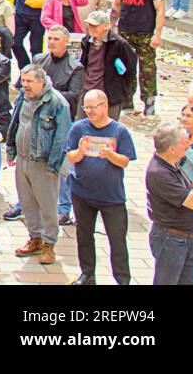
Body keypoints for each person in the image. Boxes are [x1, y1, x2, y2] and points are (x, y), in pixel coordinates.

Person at [66, 89, 136, 285]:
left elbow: (125, 161)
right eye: (86, 107)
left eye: (93, 107)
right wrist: (80, 151)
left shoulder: (119, 131)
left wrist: (110, 155)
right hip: (82, 193)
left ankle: (122, 279)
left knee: (117, 240)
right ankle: (87, 274)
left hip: (111, 197)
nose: (89, 111)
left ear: (105, 106)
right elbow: (70, 157)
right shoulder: (78, 128)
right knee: (84, 236)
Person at [6, 63, 73, 267]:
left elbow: (62, 138)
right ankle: (35, 238)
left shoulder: (57, 103)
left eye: (29, 81)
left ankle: (49, 244)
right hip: (23, 160)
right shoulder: (22, 98)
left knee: (47, 205)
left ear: (41, 82)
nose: (24, 85)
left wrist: (54, 166)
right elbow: (15, 123)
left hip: (43, 163)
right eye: (23, 80)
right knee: (27, 203)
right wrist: (11, 149)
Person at [145, 121, 193, 284]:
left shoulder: (172, 165)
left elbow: (185, 192)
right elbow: (191, 202)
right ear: (171, 148)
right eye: (183, 141)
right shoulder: (159, 172)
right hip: (172, 240)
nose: (187, 143)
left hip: (187, 240)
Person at [111, 0, 166, 116]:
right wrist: (112, 27)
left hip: (146, 33)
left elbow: (160, 10)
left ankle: (149, 100)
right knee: (126, 66)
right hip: (125, 32)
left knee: (147, 68)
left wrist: (157, 34)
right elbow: (116, 7)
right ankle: (127, 98)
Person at [78, 9, 137, 121]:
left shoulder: (120, 44)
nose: (91, 28)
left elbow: (130, 72)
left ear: (106, 26)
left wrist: (121, 92)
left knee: (108, 131)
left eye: (95, 25)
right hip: (87, 91)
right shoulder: (86, 41)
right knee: (82, 127)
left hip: (110, 95)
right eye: (90, 25)